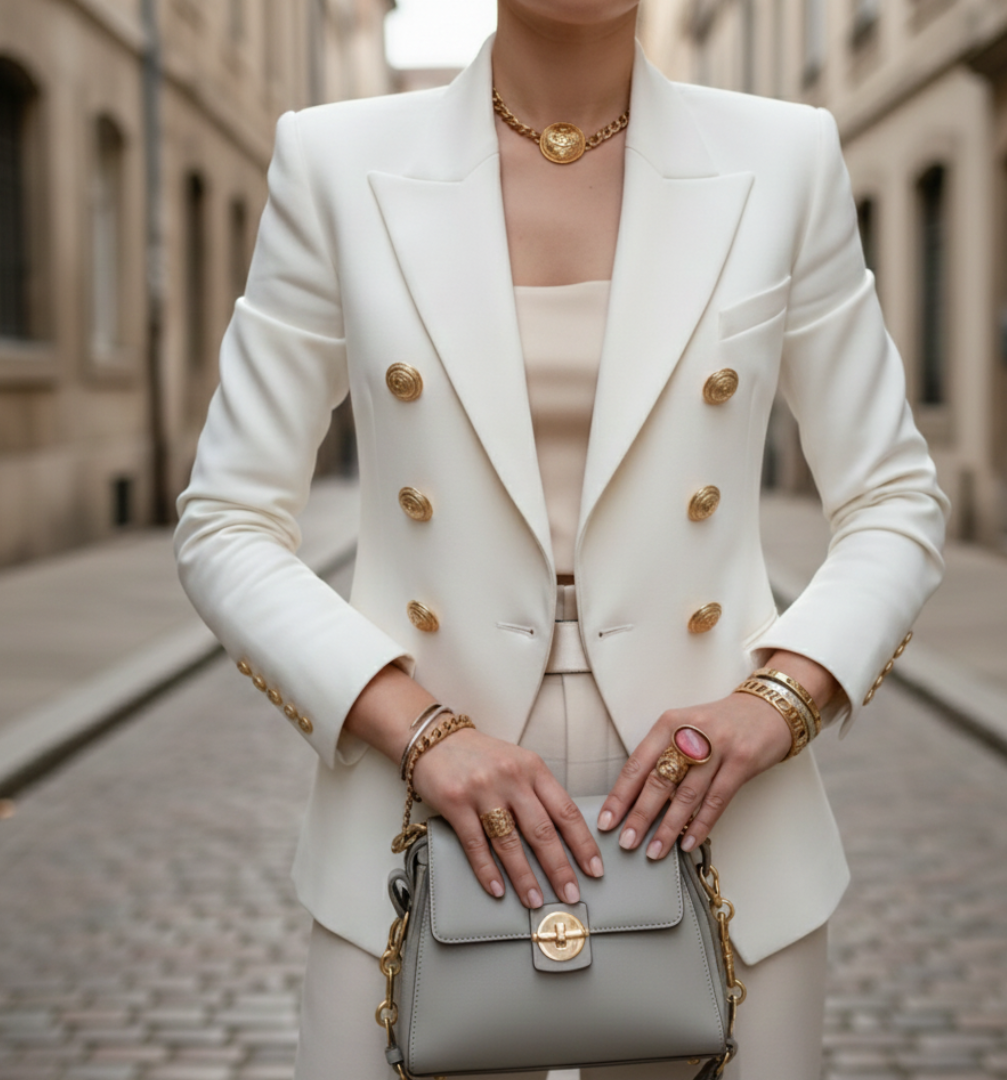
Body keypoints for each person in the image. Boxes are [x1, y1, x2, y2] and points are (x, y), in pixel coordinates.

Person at [174, 1, 949, 1077]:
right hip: (412, 813)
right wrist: (424, 733)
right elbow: (227, 519)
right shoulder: (336, 161)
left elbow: (894, 498)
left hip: (716, 811)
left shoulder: (784, 156)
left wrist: (777, 702)